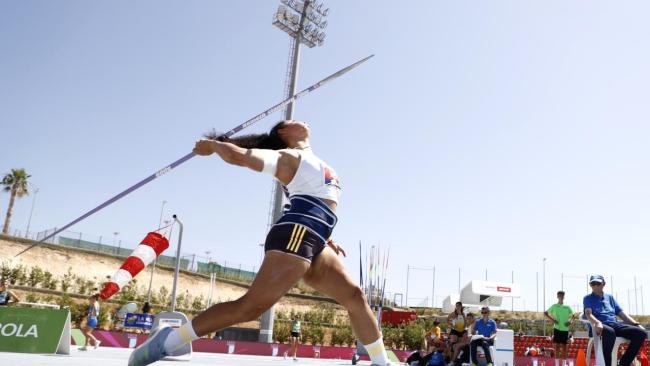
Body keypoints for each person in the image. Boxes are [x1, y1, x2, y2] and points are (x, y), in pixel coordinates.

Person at [128, 120, 393, 366]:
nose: (303, 121)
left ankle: (381, 362)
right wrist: (213, 145)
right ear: (283, 133)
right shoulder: (288, 157)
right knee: (250, 307)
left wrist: (327, 236)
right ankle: (170, 340)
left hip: (316, 236)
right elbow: (239, 156)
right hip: (296, 233)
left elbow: (313, 198)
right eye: (293, 121)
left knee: (355, 297)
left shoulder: (310, 159)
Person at [583, 275, 647, 366]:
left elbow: (620, 313)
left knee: (641, 333)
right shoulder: (587, 298)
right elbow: (588, 313)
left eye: (598, 283)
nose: (595, 286)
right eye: (592, 284)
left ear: (603, 284)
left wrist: (634, 323)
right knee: (610, 332)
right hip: (599, 326)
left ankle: (624, 363)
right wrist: (597, 322)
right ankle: (607, 364)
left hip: (614, 324)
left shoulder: (610, 297)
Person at [544, 290, 575, 366]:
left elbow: (574, 316)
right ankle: (557, 364)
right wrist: (553, 320)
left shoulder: (567, 307)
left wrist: (570, 322)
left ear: (564, 297)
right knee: (557, 347)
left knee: (564, 348)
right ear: (557, 296)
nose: (561, 297)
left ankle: (564, 364)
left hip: (565, 330)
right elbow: (545, 313)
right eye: (559, 295)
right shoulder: (554, 306)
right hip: (557, 329)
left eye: (562, 295)